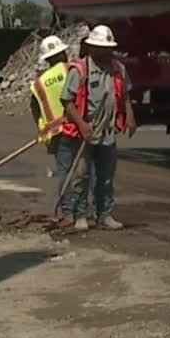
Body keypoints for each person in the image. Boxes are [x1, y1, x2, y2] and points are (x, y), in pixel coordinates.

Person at [58, 24, 137, 231]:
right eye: (102, 48)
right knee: (81, 176)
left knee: (106, 177)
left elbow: (125, 95)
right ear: (92, 48)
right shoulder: (80, 70)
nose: (106, 52)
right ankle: (80, 214)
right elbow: (67, 101)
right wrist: (82, 125)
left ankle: (105, 215)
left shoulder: (118, 69)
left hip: (108, 132)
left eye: (108, 48)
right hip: (86, 133)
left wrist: (130, 115)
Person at [30, 35, 71, 179]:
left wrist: (43, 131)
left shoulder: (39, 83)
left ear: (46, 59)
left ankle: (66, 201)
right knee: (83, 174)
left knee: (65, 174)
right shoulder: (73, 70)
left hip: (55, 136)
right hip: (77, 129)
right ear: (63, 53)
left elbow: (36, 111)